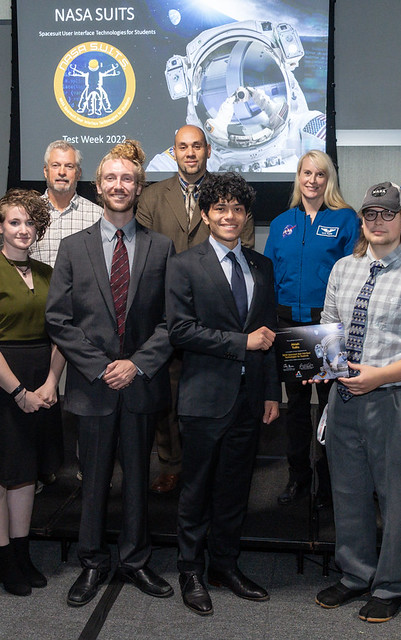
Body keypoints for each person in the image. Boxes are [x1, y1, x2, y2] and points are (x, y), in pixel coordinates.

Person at [313, 182, 401, 624]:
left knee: (395, 498)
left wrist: (379, 376)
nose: (378, 222)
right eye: (370, 214)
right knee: (348, 491)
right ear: (362, 221)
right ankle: (356, 573)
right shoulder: (343, 268)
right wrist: (323, 365)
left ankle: (392, 584)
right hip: (344, 398)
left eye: (386, 214)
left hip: (395, 400)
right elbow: (329, 326)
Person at [46, 141, 175, 606]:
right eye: (111, 179)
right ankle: (93, 561)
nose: (120, 186)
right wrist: (103, 368)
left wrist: (136, 364)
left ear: (139, 188)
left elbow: (171, 321)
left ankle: (137, 560)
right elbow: (58, 319)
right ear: (98, 187)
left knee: (140, 480)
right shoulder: (72, 247)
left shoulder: (162, 248)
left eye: (128, 179)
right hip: (93, 387)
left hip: (140, 384)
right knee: (95, 480)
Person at [166, 172, 280, 616]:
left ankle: (224, 566)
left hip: (251, 399)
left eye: (237, 209)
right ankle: (190, 570)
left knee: (235, 490)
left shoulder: (261, 266)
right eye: (220, 208)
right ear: (206, 214)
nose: (229, 216)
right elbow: (179, 330)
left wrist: (272, 393)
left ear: (246, 216)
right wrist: (240, 343)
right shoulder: (184, 264)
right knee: (196, 490)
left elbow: (268, 332)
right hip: (203, 398)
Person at [136, 124, 255, 495]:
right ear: (173, 152)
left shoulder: (228, 197)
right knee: (167, 396)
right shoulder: (153, 197)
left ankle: (212, 462)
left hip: (218, 316)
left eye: (197, 146)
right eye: (183, 147)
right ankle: (172, 463)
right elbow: (143, 256)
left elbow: (243, 250)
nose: (190, 153)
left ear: (207, 151)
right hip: (166, 314)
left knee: (211, 395)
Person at [0, 189, 65, 596]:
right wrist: (19, 392)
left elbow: (61, 334)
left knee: (26, 472)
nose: (23, 230)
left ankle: (22, 553)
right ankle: (3, 557)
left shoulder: (48, 274)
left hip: (42, 379)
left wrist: (51, 382)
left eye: (30, 223)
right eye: (15, 222)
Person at [263, 150, 359, 508]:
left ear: (328, 178)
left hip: (328, 325)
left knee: (334, 407)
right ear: (298, 177)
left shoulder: (346, 219)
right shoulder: (281, 223)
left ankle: (332, 485)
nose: (312, 180)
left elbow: (352, 274)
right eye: (306, 173)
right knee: (298, 409)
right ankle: (298, 478)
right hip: (289, 325)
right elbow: (269, 276)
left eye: (320, 174)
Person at [32, 139, 102, 268]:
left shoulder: (97, 216)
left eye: (69, 166)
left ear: (78, 173)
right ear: (45, 171)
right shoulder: (28, 213)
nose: (62, 172)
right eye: (55, 165)